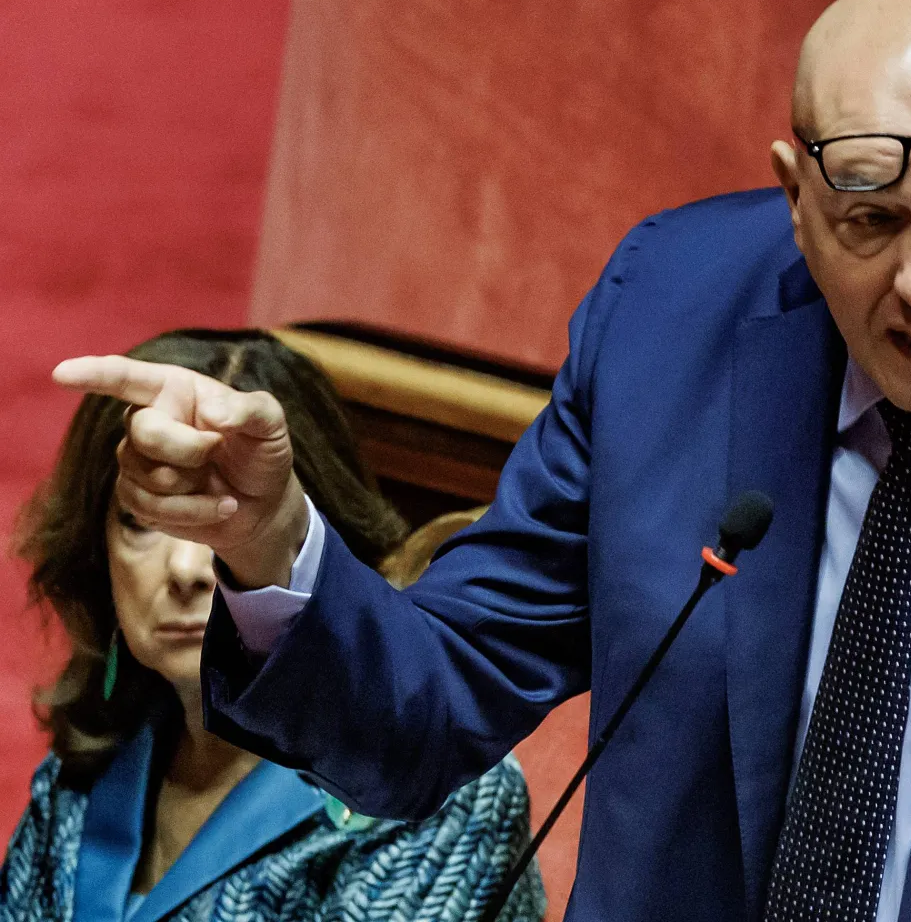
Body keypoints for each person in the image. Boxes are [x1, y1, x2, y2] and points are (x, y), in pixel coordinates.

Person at [54, 0, 911, 922]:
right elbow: (441, 695)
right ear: (796, 196)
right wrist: (268, 543)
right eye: (873, 221)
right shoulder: (669, 324)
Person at [5, 329, 545, 922]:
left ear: (318, 542)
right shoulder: (83, 770)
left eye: (229, 518)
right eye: (144, 520)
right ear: (95, 554)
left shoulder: (447, 794)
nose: (186, 568)